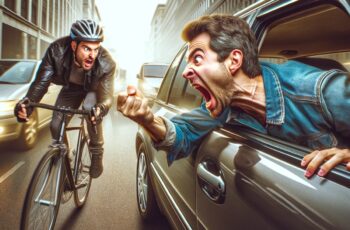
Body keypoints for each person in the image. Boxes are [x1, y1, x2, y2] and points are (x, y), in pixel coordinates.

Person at [117, 14, 350, 178]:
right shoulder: (225, 106)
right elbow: (182, 135)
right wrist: (146, 119)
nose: (186, 71)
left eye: (197, 59)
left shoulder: (321, 89)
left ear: (234, 61)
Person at [14, 19, 117, 178]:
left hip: (93, 90)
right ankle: (65, 159)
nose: (92, 56)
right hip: (72, 89)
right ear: (74, 45)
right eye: (86, 49)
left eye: (96, 50)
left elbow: (107, 96)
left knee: (91, 109)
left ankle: (97, 152)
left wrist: (101, 108)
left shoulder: (106, 63)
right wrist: (27, 104)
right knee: (55, 125)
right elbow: (41, 83)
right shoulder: (56, 51)